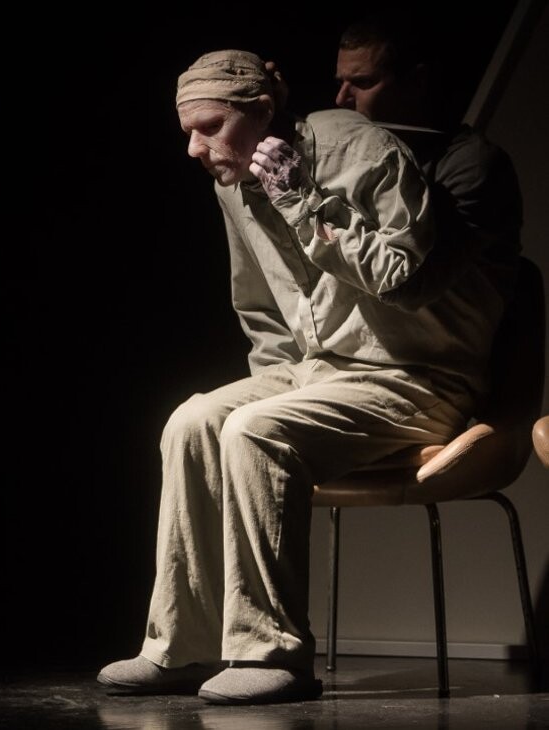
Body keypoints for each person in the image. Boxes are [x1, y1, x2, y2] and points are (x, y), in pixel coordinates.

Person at [97, 49, 508, 706]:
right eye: (188, 133)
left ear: (263, 111)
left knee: (256, 431)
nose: (195, 149)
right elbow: (261, 306)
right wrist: (281, 387)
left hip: (419, 375)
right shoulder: (233, 183)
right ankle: (183, 646)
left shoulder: (359, 150)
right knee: (193, 421)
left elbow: (403, 276)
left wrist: (304, 201)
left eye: (210, 127)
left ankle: (274, 653)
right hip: (320, 372)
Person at [331, 13, 522, 307]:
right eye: (341, 83)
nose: (341, 99)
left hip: (432, 333)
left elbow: (408, 286)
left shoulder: (474, 165)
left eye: (363, 82)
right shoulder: (361, 152)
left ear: (416, 82)